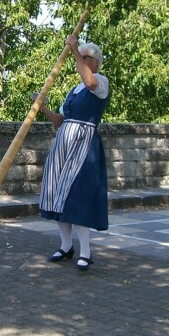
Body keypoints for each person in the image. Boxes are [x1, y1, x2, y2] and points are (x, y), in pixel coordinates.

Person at [32, 36, 110, 271]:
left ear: (95, 62)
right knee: (58, 192)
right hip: (64, 142)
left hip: (84, 143)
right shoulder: (73, 91)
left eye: (86, 57)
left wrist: (75, 48)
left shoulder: (99, 82)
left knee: (78, 193)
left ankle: (86, 251)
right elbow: (60, 121)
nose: (82, 60)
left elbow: (90, 83)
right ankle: (66, 245)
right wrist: (42, 106)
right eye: (81, 57)